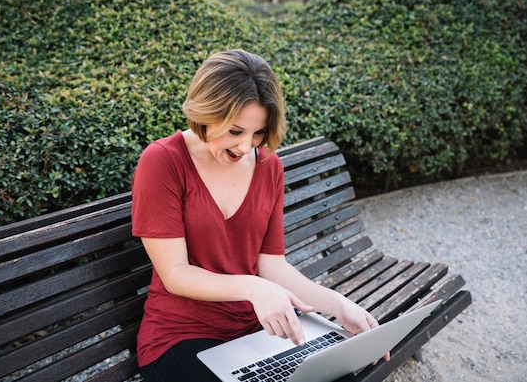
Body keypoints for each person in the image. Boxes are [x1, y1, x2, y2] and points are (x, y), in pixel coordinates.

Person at [131, 49, 388, 382]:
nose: (245, 146)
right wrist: (254, 289)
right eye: (235, 131)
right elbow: (176, 274)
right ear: (206, 112)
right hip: (179, 337)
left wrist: (339, 307)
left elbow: (272, 265)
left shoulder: (269, 166)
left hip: (255, 330)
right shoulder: (163, 161)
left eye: (258, 133)